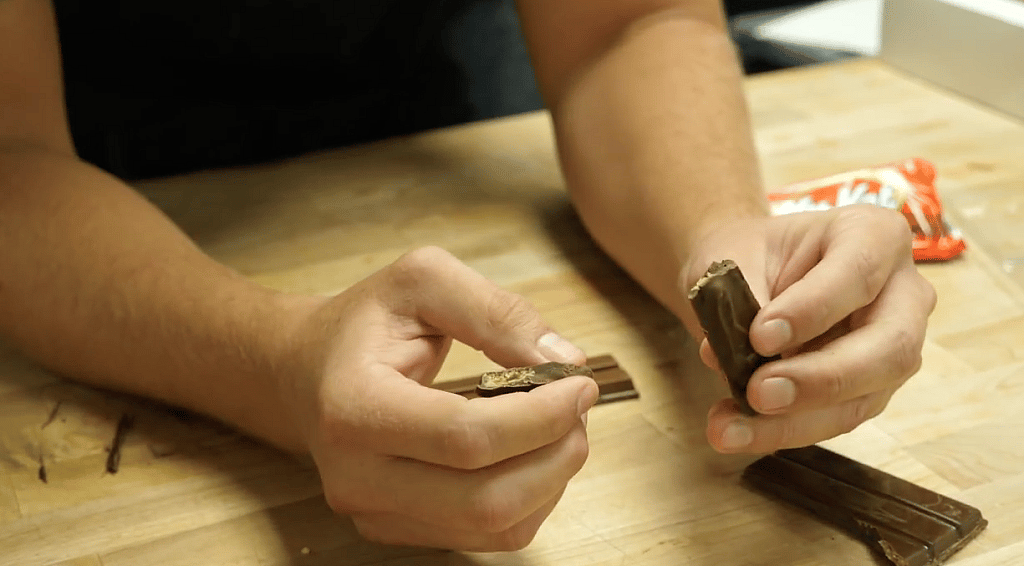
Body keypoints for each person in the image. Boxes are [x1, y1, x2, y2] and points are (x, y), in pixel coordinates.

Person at [0, 0, 935, 553]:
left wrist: (720, 237)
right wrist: (279, 362)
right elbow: (10, 151)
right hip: (90, 166)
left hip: (436, 91)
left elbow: (623, 23)